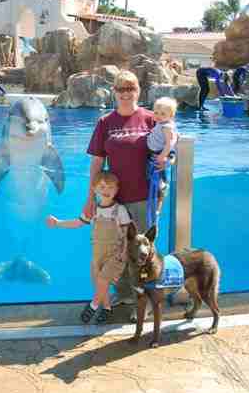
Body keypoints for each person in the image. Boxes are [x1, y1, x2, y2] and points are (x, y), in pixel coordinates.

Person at [83, 70, 156, 307]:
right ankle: (125, 295)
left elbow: (169, 146)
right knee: (117, 251)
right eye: (121, 88)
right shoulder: (105, 122)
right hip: (113, 202)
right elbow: (96, 162)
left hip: (144, 198)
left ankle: (142, 299)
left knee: (142, 253)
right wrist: (91, 198)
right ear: (114, 92)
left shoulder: (150, 119)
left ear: (138, 90)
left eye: (131, 88)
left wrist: (169, 159)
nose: (126, 93)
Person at [46, 171, 131, 324]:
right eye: (103, 187)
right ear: (94, 189)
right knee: (99, 282)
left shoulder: (120, 210)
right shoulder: (93, 210)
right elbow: (78, 223)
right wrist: (58, 223)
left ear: (117, 190)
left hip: (115, 255)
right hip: (97, 255)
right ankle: (106, 308)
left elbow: (126, 234)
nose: (107, 190)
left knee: (104, 279)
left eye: (111, 187)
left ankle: (93, 305)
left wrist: (124, 252)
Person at [146, 97, 178, 227]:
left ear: (171, 115)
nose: (158, 116)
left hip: (159, 155)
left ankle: (157, 210)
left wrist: (164, 155)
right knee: (155, 182)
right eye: (156, 112)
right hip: (155, 154)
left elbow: (170, 142)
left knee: (160, 185)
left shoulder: (166, 126)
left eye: (163, 114)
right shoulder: (160, 124)